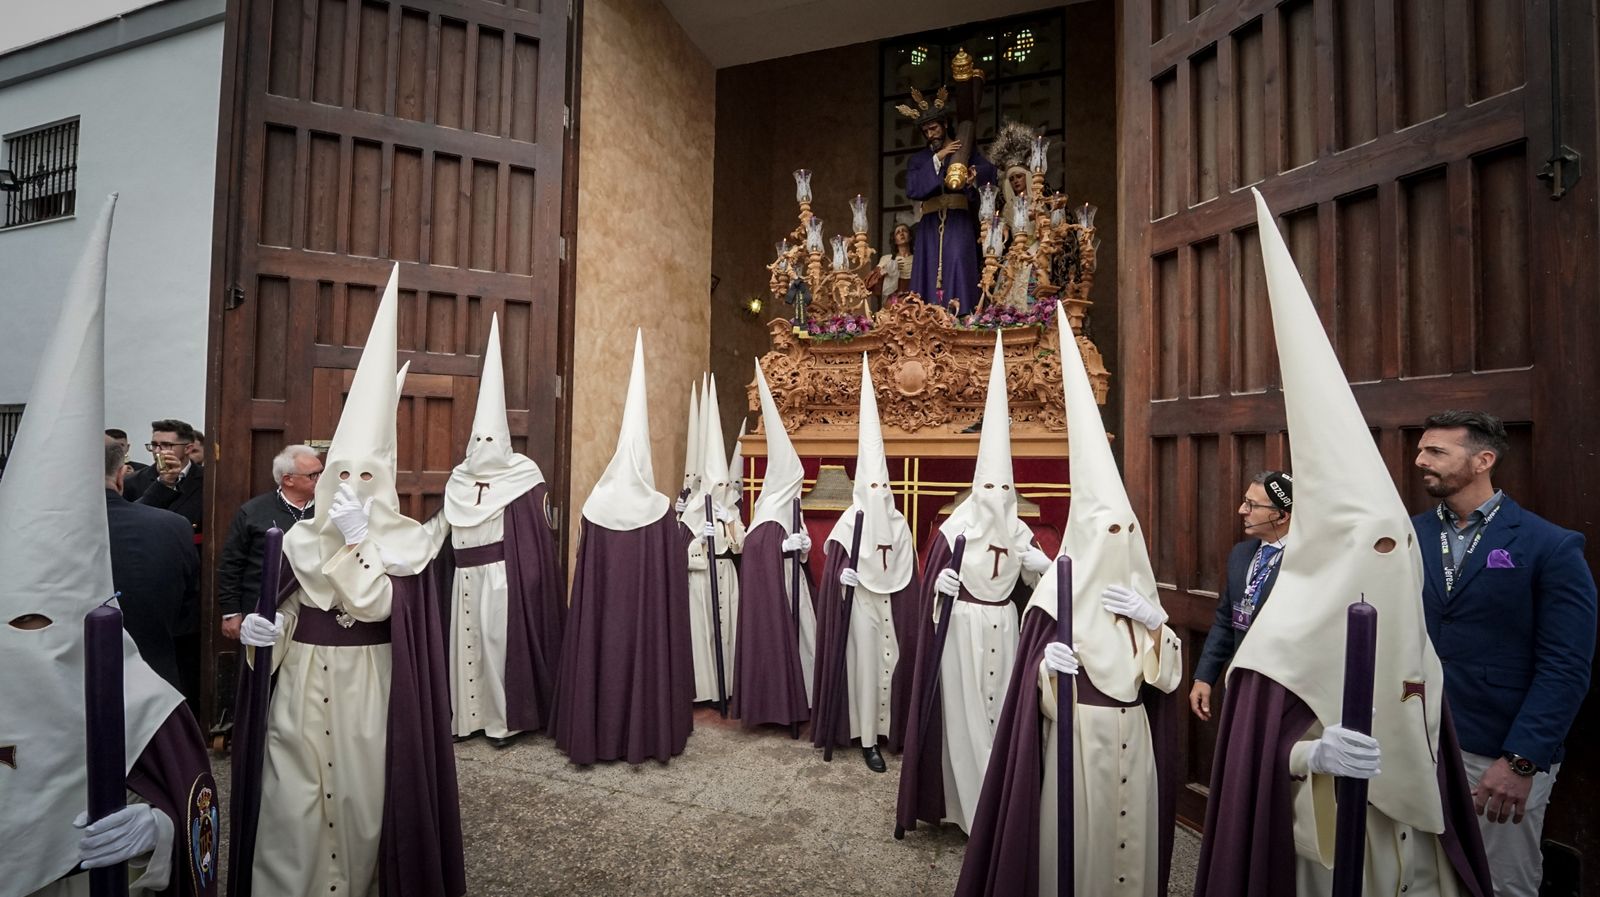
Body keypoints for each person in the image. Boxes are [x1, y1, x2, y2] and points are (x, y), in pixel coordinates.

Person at [1194, 190, 1491, 896]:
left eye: (1394, 546)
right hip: (1319, 848)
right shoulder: (1277, 642)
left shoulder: (1411, 633)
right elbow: (1252, 752)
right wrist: (1308, 753)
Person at [3, 193, 217, 897]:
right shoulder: (151, 498)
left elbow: (197, 819)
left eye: (42, 620)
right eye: (152, 447)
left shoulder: (140, 705)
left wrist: (155, 835)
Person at [231, 264, 463, 897]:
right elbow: (283, 611)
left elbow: (383, 606)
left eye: (369, 478)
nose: (352, 488)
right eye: (343, 476)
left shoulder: (407, 540)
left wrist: (362, 540)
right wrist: (263, 632)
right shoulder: (297, 538)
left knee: (363, 809)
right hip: (301, 682)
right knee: (291, 806)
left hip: (372, 687)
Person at [956, 303, 1182, 896]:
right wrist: (1043, 675)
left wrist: (1157, 626)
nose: (1121, 543)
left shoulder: (1139, 591)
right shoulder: (1056, 598)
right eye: (1109, 533)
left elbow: (1164, 681)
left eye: (1126, 533)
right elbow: (1031, 697)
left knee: (1131, 855)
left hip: (1135, 737)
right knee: (1078, 850)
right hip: (1078, 743)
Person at [1413, 409, 1597, 896]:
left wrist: (1520, 762)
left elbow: (1567, 666)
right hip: (1415, 739)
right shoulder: (1409, 535)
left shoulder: (1550, 546)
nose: (1419, 460)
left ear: (1482, 461)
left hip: (1496, 750)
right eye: (1420, 449)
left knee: (1500, 884)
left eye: (1435, 451)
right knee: (1419, 876)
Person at [898, 335, 1052, 834]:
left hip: (1004, 625)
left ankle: (1001, 804)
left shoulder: (1021, 529)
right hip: (961, 629)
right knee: (963, 717)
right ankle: (967, 810)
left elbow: (1042, 584)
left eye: (1003, 488)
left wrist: (1044, 566)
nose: (996, 496)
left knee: (1002, 710)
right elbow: (928, 591)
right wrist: (939, 589)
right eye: (987, 487)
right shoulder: (953, 529)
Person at [553, 330, 695, 764]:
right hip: (641, 619)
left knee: (602, 652)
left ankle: (594, 733)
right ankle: (642, 735)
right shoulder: (656, 509)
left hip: (606, 620)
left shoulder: (596, 505)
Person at [440, 313, 563, 747]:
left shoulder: (523, 474)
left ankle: (502, 720)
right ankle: (468, 719)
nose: (484, 448)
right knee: (466, 645)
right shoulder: (458, 477)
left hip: (500, 577)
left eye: (492, 440)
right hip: (464, 575)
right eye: (479, 441)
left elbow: (534, 536)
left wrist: (527, 580)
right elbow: (442, 528)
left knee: (496, 647)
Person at [810, 355, 922, 771]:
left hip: (890, 604)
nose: (878, 492)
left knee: (892, 663)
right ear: (860, 487)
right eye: (870, 486)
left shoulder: (899, 525)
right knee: (865, 665)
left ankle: (893, 731)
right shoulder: (847, 522)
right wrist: (844, 578)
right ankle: (867, 738)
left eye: (883, 486)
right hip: (860, 603)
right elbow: (832, 572)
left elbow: (910, 576)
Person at [731, 361, 816, 731]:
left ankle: (807, 698)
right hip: (776, 592)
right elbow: (755, 549)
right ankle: (779, 703)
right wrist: (782, 548)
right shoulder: (768, 507)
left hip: (794, 585)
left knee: (807, 641)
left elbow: (802, 541)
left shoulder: (787, 505)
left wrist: (802, 546)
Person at [1189, 470, 1293, 720]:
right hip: (1238, 683)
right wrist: (1204, 676)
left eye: (1252, 505)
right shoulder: (1241, 554)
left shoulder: (1304, 563)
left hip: (1282, 692)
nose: (1241, 510)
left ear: (1281, 516)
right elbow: (1226, 619)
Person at [105, 435, 200, 695]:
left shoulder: (35, 531)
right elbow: (188, 603)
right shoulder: (173, 527)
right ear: (121, 478)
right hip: (155, 679)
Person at [899, 85, 996, 315]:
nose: (930, 134)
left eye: (933, 128)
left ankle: (961, 318)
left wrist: (972, 177)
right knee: (929, 270)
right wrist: (938, 157)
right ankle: (927, 318)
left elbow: (989, 171)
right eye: (925, 131)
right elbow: (913, 187)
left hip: (958, 221)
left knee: (958, 263)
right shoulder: (920, 159)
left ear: (944, 125)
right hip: (930, 223)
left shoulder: (965, 150)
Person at [215, 444, 321, 641]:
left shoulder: (330, 509)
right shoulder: (254, 512)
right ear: (288, 480)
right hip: (262, 609)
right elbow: (232, 564)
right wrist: (231, 611)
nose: (321, 479)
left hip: (314, 610)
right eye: (313, 475)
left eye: (322, 472)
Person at [683, 375, 743, 706]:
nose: (721, 489)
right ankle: (704, 690)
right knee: (702, 632)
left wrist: (729, 520)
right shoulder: (693, 509)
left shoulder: (730, 507)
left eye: (725, 484)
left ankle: (728, 686)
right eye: (715, 484)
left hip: (726, 577)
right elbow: (682, 548)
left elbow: (740, 546)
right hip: (701, 579)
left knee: (728, 629)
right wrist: (699, 541)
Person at [123, 420, 205, 533]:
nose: (157, 451)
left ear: (188, 448)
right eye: (154, 445)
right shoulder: (132, 481)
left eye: (166, 445)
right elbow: (128, 520)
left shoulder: (208, 479)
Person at [867, 220, 915, 302]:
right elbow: (870, 284)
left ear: (910, 237)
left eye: (904, 231)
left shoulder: (917, 259)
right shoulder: (887, 259)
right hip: (893, 303)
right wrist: (886, 270)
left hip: (913, 301)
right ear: (895, 240)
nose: (901, 233)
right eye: (898, 232)